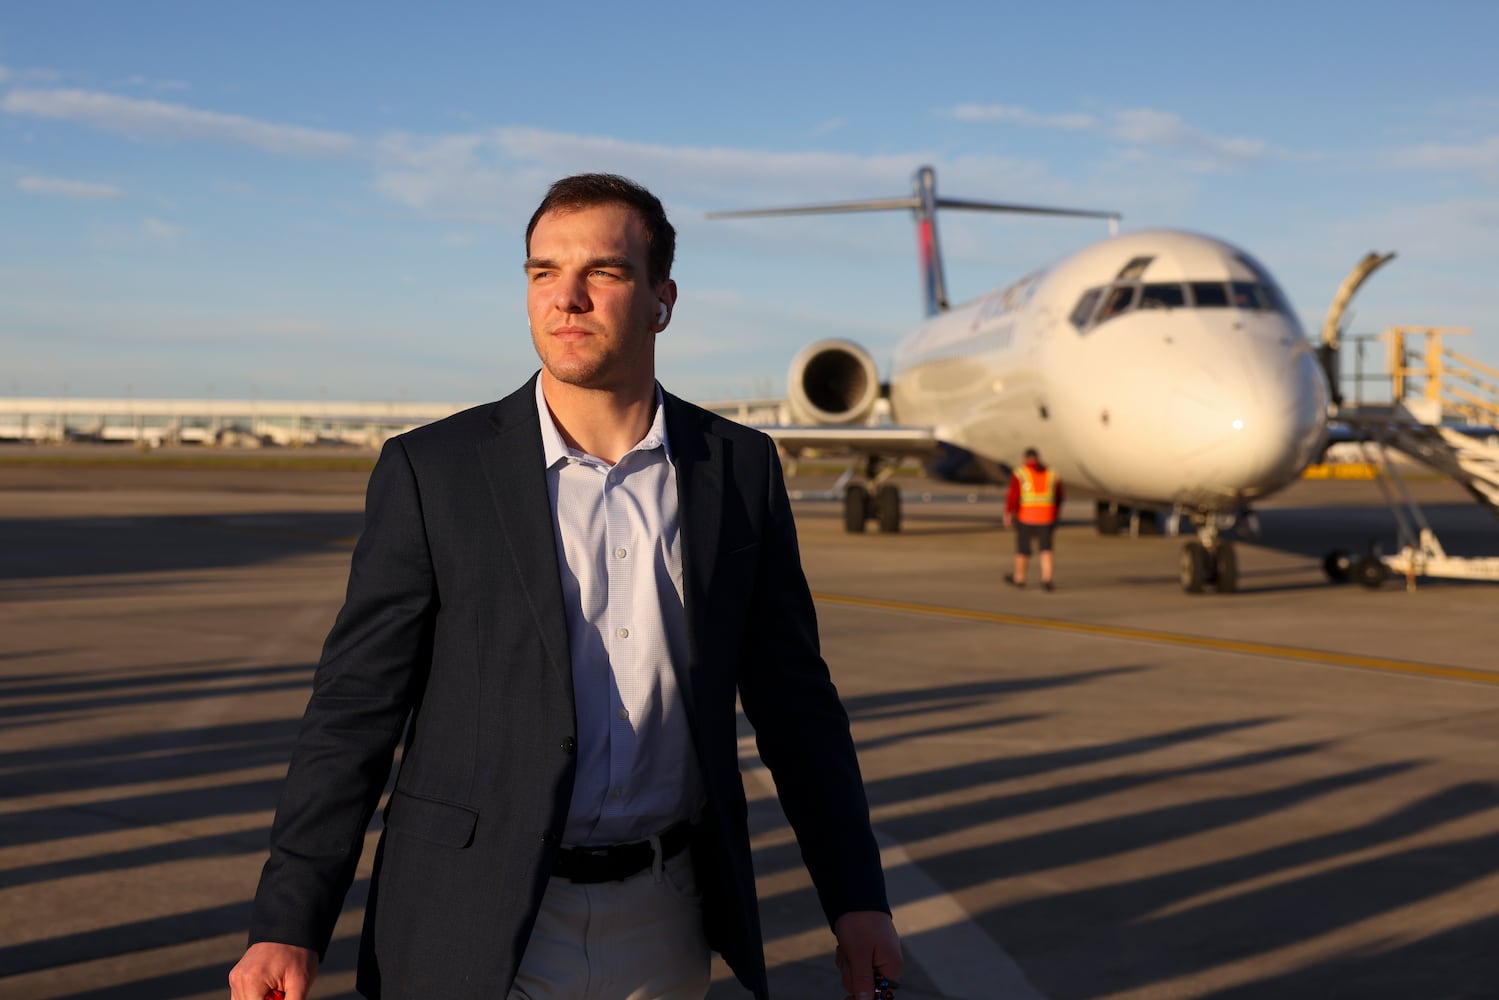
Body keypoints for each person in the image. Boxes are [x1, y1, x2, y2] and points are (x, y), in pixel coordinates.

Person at [227, 173, 901, 1000]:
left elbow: (796, 704)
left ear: (662, 299)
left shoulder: (739, 467)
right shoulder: (434, 470)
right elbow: (354, 707)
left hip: (666, 917)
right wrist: (288, 923)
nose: (567, 298)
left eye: (604, 273)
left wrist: (856, 900)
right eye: (543, 272)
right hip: (468, 916)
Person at [1003, 447, 1063, 591]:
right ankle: (1047, 579)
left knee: (1023, 549)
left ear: (1026, 458)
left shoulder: (1021, 473)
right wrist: (1055, 513)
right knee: (1046, 549)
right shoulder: (1051, 473)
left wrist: (1009, 513)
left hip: (1026, 516)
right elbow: (1060, 496)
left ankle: (1019, 578)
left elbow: (1013, 496)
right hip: (1047, 517)